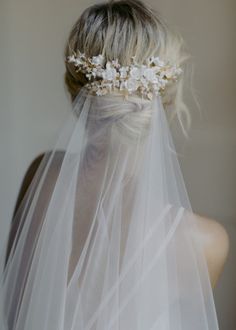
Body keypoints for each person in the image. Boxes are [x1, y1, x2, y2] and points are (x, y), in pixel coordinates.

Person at [0, 0, 229, 329]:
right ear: (166, 95)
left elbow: (13, 313)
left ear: (75, 90)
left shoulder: (41, 177)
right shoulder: (205, 243)